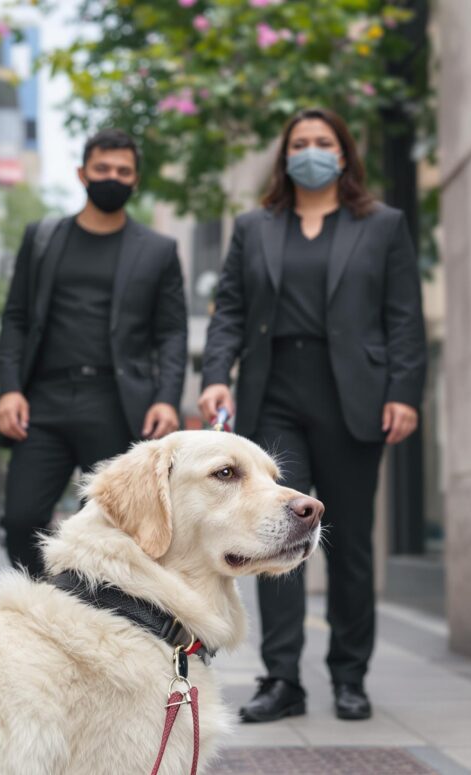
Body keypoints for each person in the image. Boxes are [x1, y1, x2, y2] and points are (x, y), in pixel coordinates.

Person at [198, 108, 426, 722]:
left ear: (344, 154)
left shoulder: (382, 225)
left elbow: (404, 316)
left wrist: (404, 390)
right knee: (276, 538)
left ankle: (350, 677)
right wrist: (215, 375)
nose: (311, 151)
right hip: (276, 395)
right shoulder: (254, 227)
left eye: (323, 142)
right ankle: (282, 679)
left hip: (353, 394)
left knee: (349, 543)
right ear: (285, 156)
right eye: (300, 143)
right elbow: (230, 313)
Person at [0, 128, 188, 576]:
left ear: (135, 180)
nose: (112, 178)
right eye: (103, 169)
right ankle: (47, 598)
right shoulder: (42, 238)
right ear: (82, 173)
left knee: (113, 524)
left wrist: (166, 397)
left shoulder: (159, 251)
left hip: (118, 404)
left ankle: (96, 612)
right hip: (43, 401)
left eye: (123, 171)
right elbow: (16, 318)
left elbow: (172, 333)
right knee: (21, 518)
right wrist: (8, 390)